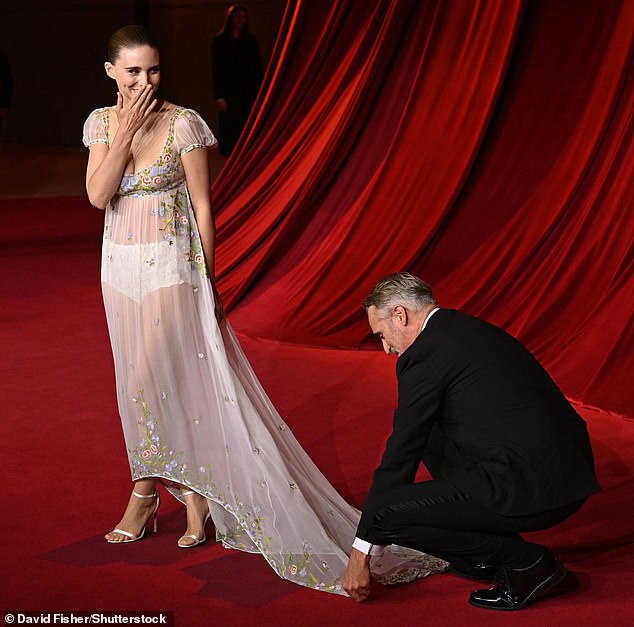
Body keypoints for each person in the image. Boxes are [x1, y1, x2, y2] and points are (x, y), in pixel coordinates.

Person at [83, 26, 447, 595]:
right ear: (111, 72)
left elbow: (203, 207)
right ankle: (196, 498)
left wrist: (209, 280)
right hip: (118, 273)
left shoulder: (184, 124)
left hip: (171, 270)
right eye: (132, 72)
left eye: (153, 71)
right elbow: (99, 196)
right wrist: (126, 131)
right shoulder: (101, 124)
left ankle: (146, 495)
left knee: (149, 383)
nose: (144, 82)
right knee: (140, 385)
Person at [343, 272, 601, 609]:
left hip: (529, 483)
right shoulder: (467, 328)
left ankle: (528, 563)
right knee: (432, 427)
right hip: (567, 473)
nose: (387, 348)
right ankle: (481, 552)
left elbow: (401, 453)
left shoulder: (422, 356)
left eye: (381, 335)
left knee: (387, 516)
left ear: (400, 315)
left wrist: (361, 550)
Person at [211, 4, 263, 155]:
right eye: (237, 16)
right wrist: (219, 96)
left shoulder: (249, 40)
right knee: (230, 126)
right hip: (229, 92)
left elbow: (257, 67)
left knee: (247, 125)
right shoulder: (220, 41)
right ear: (230, 18)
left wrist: (260, 91)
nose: (240, 20)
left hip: (248, 91)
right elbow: (217, 70)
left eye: (243, 17)